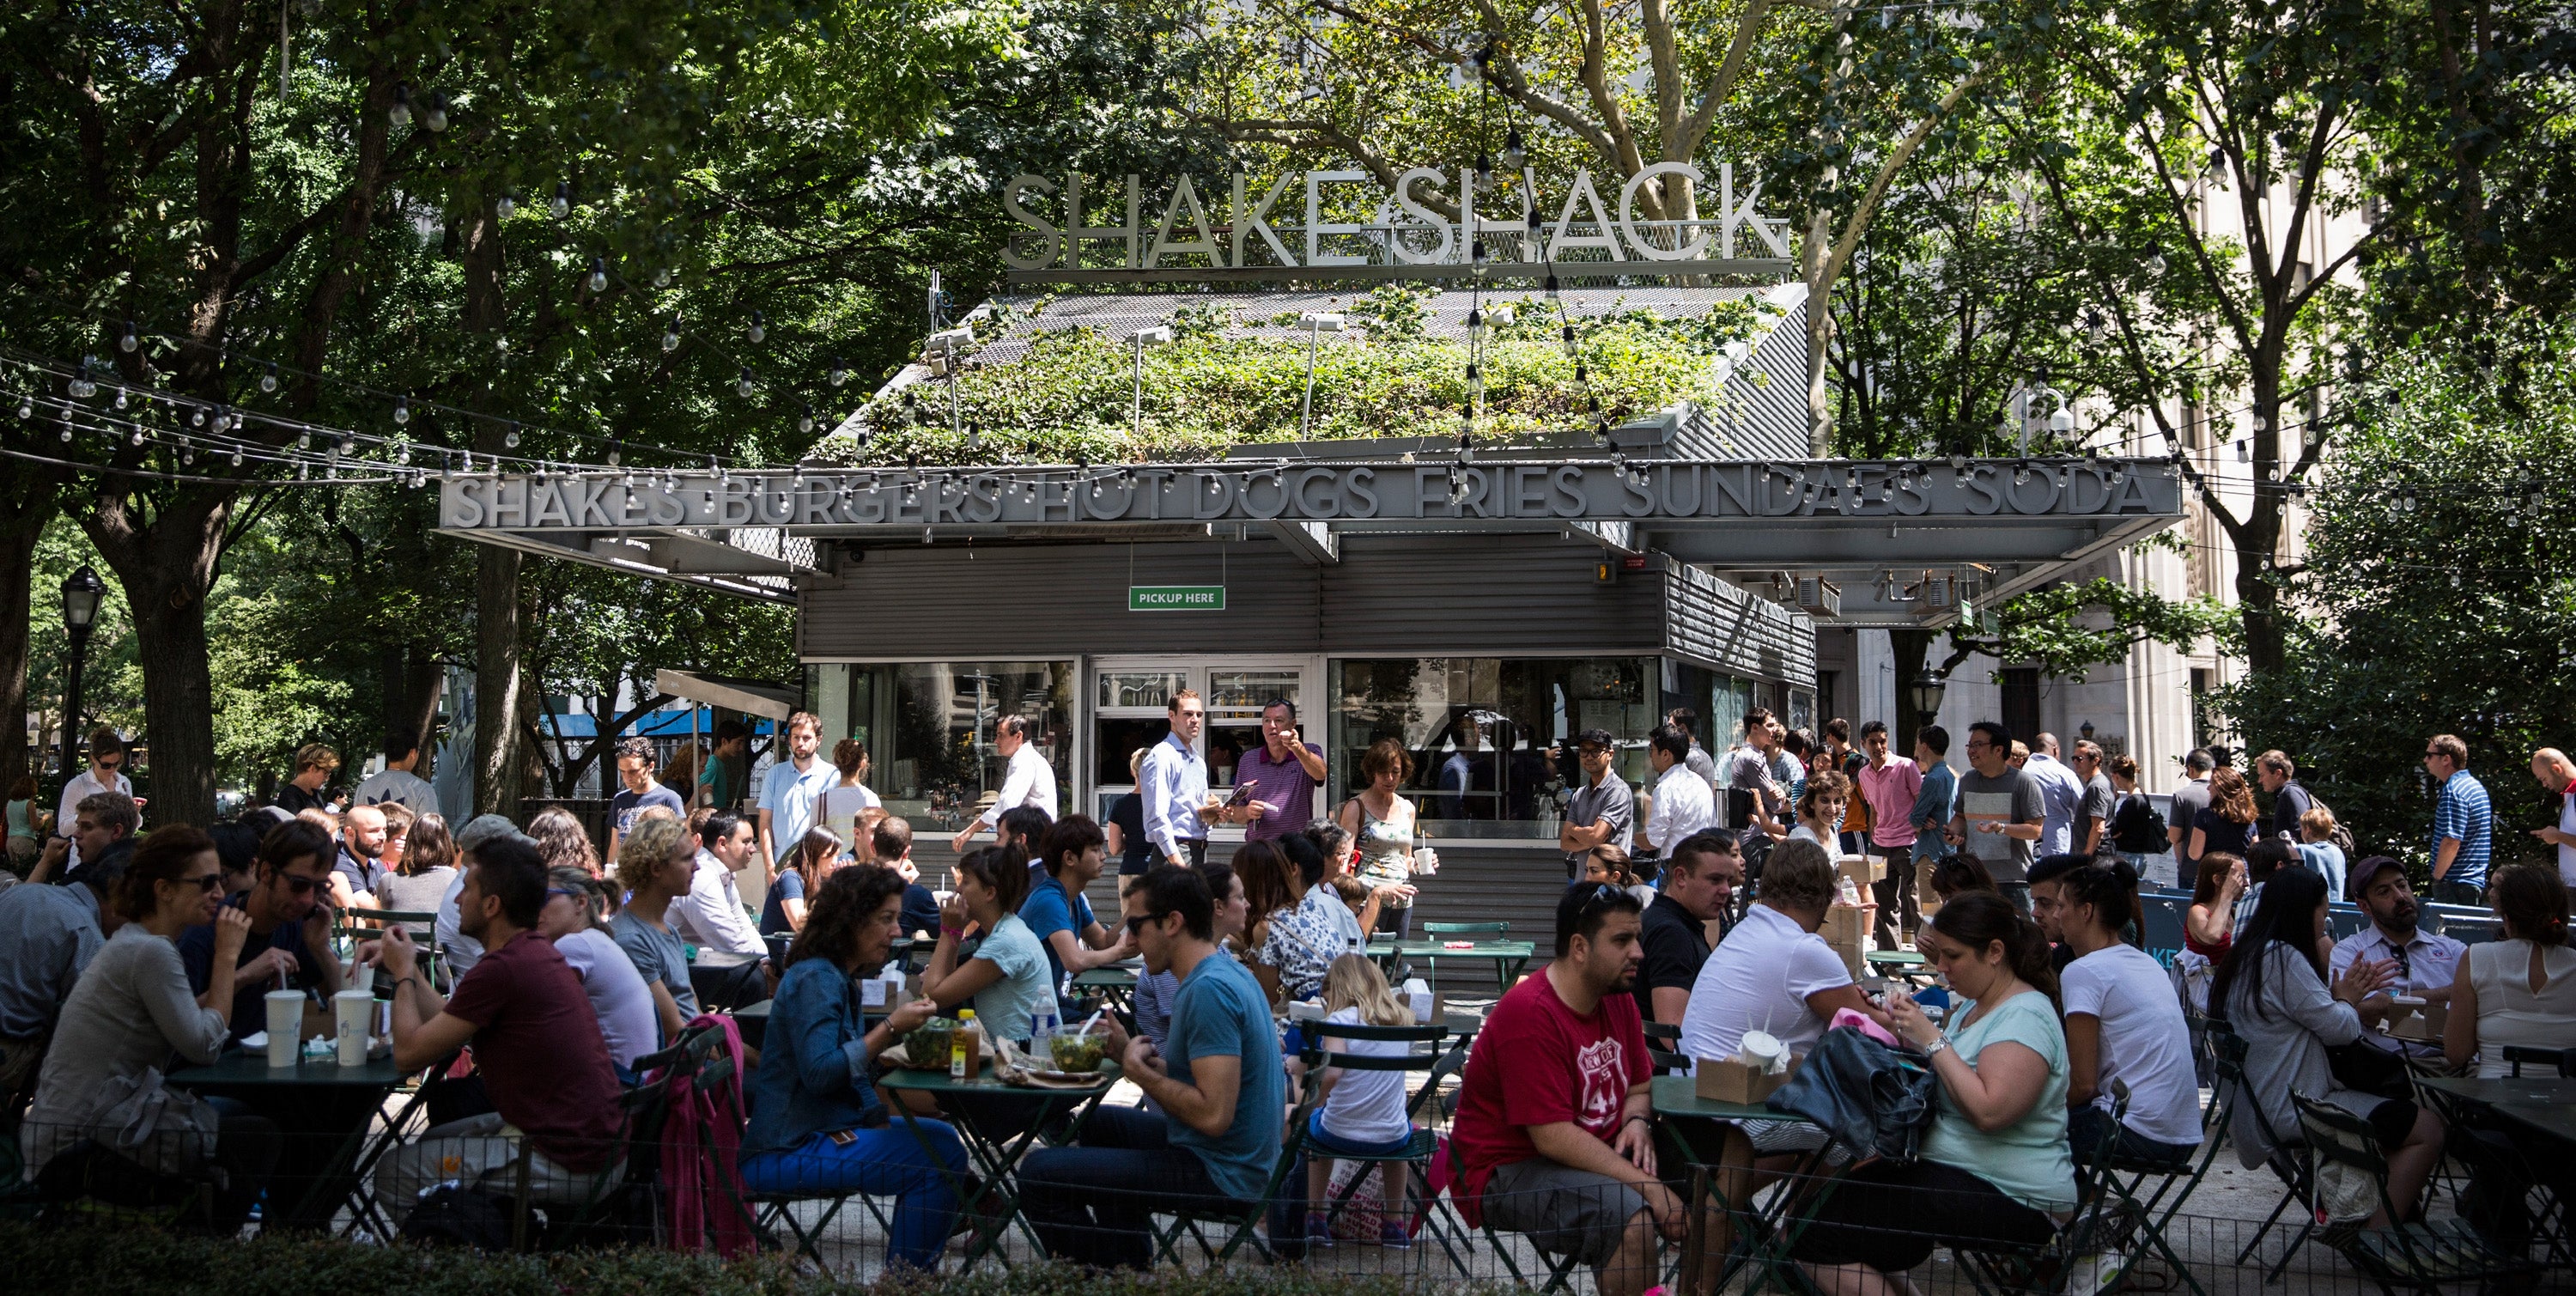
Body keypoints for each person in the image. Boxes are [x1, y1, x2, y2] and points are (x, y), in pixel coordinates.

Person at [1795, 893, 2076, 1292]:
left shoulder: (2025, 1016)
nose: (1941, 967)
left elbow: (1990, 1111)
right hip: (1968, 1178)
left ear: (1995, 952)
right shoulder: (1978, 1006)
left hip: (2017, 1197)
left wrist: (1931, 1040)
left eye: (1953, 956)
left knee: (1814, 1234)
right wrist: (1901, 1031)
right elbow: (1952, 1070)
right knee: (1822, 1217)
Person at [1019, 865, 1286, 1269]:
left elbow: (1213, 1114)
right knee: (1097, 1125)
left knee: (1039, 1172)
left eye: (1138, 926)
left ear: (1173, 923)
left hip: (1224, 1172)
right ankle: (1130, 1263)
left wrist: (1139, 1073)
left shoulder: (1208, 991)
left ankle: (1104, 1275)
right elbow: (1208, 1081)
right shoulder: (1222, 969)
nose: (1129, 939)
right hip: (1231, 1153)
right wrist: (1130, 1051)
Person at [21, 826, 278, 1231]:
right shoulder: (150, 951)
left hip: (82, 1129)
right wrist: (227, 957)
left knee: (240, 1121)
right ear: (165, 889)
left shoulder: (137, 942)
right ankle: (202, 1249)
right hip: (78, 1145)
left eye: (221, 880)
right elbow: (205, 1045)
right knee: (253, 1134)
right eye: (205, 882)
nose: (218, 893)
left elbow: (187, 1024)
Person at [372, 833, 627, 1214]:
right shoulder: (529, 952)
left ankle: (449, 1264)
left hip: (571, 1160)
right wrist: (408, 964)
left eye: (467, 888)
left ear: (491, 905)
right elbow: (449, 1016)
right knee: (435, 1139)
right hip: (592, 1145)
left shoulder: (505, 967)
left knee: (395, 1172)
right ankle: (481, 1243)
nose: (456, 899)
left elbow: (408, 1055)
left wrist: (403, 975)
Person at [1450, 881, 1674, 1296]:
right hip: (1507, 1170)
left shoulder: (1617, 995)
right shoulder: (1530, 1014)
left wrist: (1638, 1121)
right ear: (1579, 947)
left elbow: (1641, 1085)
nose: (1639, 953)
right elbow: (1552, 1137)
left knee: (1715, 1169)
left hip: (1590, 1150)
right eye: (1622, 940)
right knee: (1631, 1218)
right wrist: (1646, 1185)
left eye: (1638, 938)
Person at [738, 863, 967, 1269]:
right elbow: (821, 1073)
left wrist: (874, 1113)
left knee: (943, 1140)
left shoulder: (834, 974)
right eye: (886, 919)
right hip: (786, 1150)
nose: (897, 931)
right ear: (851, 919)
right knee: (938, 1157)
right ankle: (907, 1282)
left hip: (816, 1133)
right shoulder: (817, 978)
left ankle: (908, 1278)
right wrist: (891, 1028)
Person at [2212, 867, 2443, 1226]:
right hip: (2299, 1105)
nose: (2327, 918)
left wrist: (2345, 1000)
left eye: (2402, 885)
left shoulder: (2248, 956)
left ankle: (2369, 1217)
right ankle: (2380, 1234)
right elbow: (2342, 1030)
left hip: (2264, 1107)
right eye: (2324, 909)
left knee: (2400, 1121)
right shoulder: (2300, 956)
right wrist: (2349, 1000)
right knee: (2428, 1128)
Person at [1678, 840, 1885, 1177]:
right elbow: (1875, 1033)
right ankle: (1801, 1227)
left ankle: (1785, 1224)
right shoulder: (1803, 949)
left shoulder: (1746, 931)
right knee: (1870, 1139)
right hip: (1736, 1115)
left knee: (1825, 1130)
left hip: (1693, 1102)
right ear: (1826, 896)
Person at [2057, 861, 2202, 1167]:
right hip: (2183, 1135)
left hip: (2137, 1132)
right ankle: (2077, 1206)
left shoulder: (2083, 971)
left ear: (2086, 911)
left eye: (2060, 905)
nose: (2057, 916)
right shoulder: (2144, 961)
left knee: (2015, 1128)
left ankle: (2061, 1212)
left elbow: (2083, 1085)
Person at [176, 817, 344, 1042]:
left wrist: (320, 948)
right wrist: (245, 976)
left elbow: (345, 1002)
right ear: (266, 873)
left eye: (320, 887)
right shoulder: (207, 929)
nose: (308, 900)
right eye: (299, 885)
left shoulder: (295, 924)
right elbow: (177, 1020)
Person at [1298, 952, 1422, 1250]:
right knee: (1402, 1134)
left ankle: (1316, 1216)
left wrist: (1316, 1101)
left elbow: (1331, 1075)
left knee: (1316, 1130)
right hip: (1389, 1138)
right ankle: (1393, 1223)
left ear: (1341, 988)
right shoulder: (1403, 1021)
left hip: (1338, 1133)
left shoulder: (1338, 1022)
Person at [0, 847, 127, 1103]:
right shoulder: (84, 931)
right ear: (118, 903)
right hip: (8, 1052)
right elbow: (88, 1023)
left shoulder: (23, 891)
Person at [2330, 855, 2465, 1066]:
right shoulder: (2352, 952)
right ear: (2364, 906)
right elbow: (2370, 1011)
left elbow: (2481, 1003)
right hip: (2398, 1069)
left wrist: (2394, 1004)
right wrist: (2453, 993)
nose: (2400, 896)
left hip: (2463, 1064)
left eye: (2402, 885)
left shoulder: (2452, 949)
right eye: (2384, 892)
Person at [2442, 863, 2576, 1076]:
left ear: (2505, 914)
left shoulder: (2477, 957)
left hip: (2495, 1104)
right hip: (2567, 1105)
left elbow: (2457, 1053)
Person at [921, 845, 1052, 1043]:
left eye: (966, 882)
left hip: (1024, 1056)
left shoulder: (1006, 942)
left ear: (990, 893)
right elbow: (945, 985)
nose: (957, 889)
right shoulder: (1005, 930)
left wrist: (948, 931)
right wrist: (955, 932)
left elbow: (932, 997)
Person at [535, 867, 659, 1074]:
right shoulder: (597, 939)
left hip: (619, 1089)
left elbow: (534, 1014)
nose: (536, 909)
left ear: (581, 902)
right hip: (640, 1087)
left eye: (546, 898)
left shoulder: (575, 945)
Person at [1132, 861, 1245, 1054]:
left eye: (1136, 927)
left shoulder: (1210, 974)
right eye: (1241, 897)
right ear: (1217, 906)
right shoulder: (1181, 969)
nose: (1248, 904)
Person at [610, 817, 703, 1044]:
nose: (697, 865)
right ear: (656, 868)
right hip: (678, 1068)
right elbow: (675, 1032)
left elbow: (693, 1012)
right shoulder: (631, 939)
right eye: (687, 858)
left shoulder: (669, 930)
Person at [1025, 814, 1133, 1012]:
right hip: (1031, 1010)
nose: (1103, 856)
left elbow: (1103, 941)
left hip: (1048, 1001)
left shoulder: (1073, 898)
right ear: (1069, 858)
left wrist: (1133, 910)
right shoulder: (1049, 899)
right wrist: (1119, 951)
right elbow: (1074, 961)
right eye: (1094, 850)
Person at [1947, 721, 2044, 909]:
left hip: (2013, 881)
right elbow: (1960, 817)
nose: (1971, 751)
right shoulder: (1967, 780)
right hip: (1974, 879)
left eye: (1978, 745)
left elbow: (2035, 830)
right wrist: (1953, 832)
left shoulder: (2023, 782)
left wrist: (2001, 828)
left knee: (2017, 936)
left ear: (1998, 750)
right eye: (1970, 745)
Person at [676, 811, 769, 1002]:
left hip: (701, 962)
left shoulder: (724, 875)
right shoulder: (702, 877)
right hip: (679, 969)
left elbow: (745, 927)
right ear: (722, 844)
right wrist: (764, 969)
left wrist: (767, 962)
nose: (752, 849)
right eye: (746, 842)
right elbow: (730, 942)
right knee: (753, 980)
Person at [1338, 739, 1422, 941]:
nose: (1390, 778)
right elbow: (1342, 859)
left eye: (1395, 771)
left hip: (1401, 901)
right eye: (1383, 772)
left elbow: (1404, 858)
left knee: (1394, 965)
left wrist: (1416, 864)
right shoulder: (1356, 807)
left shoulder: (1408, 809)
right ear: (1372, 772)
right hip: (1367, 900)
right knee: (1366, 962)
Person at [1258, 832, 1352, 1002]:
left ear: (1294, 869)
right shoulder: (1313, 909)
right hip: (1342, 1008)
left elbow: (1270, 999)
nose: (1265, 871)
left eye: (1272, 864)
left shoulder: (1270, 925)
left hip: (1312, 1020)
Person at [1852, 721, 1922, 946]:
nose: (1879, 747)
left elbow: (1921, 801)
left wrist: (1920, 833)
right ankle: (1890, 960)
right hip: (1880, 846)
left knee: (1916, 903)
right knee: (1884, 905)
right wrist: (1873, 837)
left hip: (1908, 842)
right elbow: (1872, 808)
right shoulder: (1863, 774)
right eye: (1873, 742)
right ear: (1863, 744)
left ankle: (1928, 957)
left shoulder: (1906, 766)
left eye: (1882, 741)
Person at [951, 714, 1059, 853]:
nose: (996, 741)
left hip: (1031, 844)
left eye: (1001, 735)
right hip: (1035, 841)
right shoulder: (1029, 759)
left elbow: (1007, 805)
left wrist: (972, 829)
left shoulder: (1024, 761)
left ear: (1018, 736)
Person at [1142, 691, 1224, 869]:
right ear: (1172, 716)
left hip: (1197, 851)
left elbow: (1195, 811)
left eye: (1199, 714)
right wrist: (1177, 861)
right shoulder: (1162, 756)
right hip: (1173, 854)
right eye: (1188, 714)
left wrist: (1214, 812)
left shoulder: (1198, 761)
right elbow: (1156, 816)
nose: (1195, 719)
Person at [1235, 699, 1326, 843]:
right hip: (1260, 851)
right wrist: (1247, 812)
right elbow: (1234, 811)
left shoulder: (1308, 752)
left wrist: (1297, 748)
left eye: (1278, 720)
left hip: (1296, 848)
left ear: (1292, 724)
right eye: (1267, 720)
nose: (1272, 726)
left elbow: (1320, 774)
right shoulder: (1248, 760)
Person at [757, 711, 836, 871]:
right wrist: (770, 868)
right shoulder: (775, 774)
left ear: (818, 740)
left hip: (819, 868)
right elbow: (765, 822)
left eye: (806, 738)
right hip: (781, 866)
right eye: (796, 737)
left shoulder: (832, 776)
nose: (801, 743)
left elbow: (836, 825)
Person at [52, 729, 134, 877]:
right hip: (85, 862)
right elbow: (63, 828)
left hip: (116, 861)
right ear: (93, 759)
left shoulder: (124, 783)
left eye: (117, 764)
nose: (112, 769)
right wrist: (91, 816)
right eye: (106, 765)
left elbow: (131, 828)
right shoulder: (78, 785)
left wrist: (134, 813)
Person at [1558, 728, 1634, 881]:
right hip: (1582, 883)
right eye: (1584, 751)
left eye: (1596, 751)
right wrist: (1590, 839)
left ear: (1610, 755)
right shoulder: (1579, 794)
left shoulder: (1618, 791)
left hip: (1611, 884)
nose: (1589, 757)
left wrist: (1575, 832)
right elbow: (1565, 843)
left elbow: (1595, 836)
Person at [2424, 733, 2492, 905]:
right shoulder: (2474, 786)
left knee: (2449, 933)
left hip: (2455, 885)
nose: (2425, 760)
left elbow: (2451, 841)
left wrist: (2437, 878)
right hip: (2471, 883)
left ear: (2446, 759)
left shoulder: (2453, 792)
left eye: (2430, 755)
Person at [34, 789, 139, 888]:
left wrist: (45, 863)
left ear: (116, 831)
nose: (76, 834)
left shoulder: (86, 876)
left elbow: (26, 904)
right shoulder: (144, 873)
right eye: (78, 826)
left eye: (87, 827)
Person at [1722, 709, 1790, 863]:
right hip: (1756, 838)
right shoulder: (1751, 758)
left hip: (1760, 836)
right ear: (1754, 727)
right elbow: (1774, 803)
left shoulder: (1755, 756)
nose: (1774, 730)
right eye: (1770, 725)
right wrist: (1781, 796)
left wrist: (1780, 793)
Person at [605, 736, 687, 861]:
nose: (627, 777)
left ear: (651, 766)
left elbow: (681, 843)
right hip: (624, 874)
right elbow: (614, 845)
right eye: (622, 771)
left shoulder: (670, 798)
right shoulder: (620, 800)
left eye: (633, 771)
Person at [1640, 723, 1715, 860]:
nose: (1650, 755)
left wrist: (1635, 839)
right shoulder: (1700, 783)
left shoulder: (1665, 789)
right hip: (1703, 860)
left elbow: (1654, 840)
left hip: (1678, 865)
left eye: (1651, 749)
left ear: (1666, 754)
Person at [375, 811, 458, 932]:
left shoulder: (388, 880)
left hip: (395, 949)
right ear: (446, 843)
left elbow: (380, 924)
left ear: (409, 842)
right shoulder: (456, 880)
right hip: (440, 950)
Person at [761, 827, 845, 936]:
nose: (835, 862)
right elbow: (799, 924)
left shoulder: (823, 880)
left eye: (837, 856)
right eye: (829, 855)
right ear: (814, 853)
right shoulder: (790, 878)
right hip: (781, 949)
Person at [1909, 724, 1957, 910]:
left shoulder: (1933, 778)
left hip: (1930, 853)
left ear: (1924, 746)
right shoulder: (1950, 775)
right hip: (1947, 851)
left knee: (1931, 912)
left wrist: (1919, 821)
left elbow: (1915, 820)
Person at [872, 816, 941, 939]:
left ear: (873, 847)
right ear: (907, 852)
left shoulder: (850, 885)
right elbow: (943, 932)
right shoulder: (918, 895)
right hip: (895, 958)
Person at [2022, 733, 2086, 858]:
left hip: (2026, 841)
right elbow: (2080, 809)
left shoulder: (2022, 770)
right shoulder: (2065, 773)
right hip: (2056, 841)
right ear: (2055, 749)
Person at [350, 728, 440, 815]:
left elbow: (355, 822)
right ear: (412, 753)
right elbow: (429, 828)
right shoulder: (422, 789)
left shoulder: (364, 787)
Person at [2024, 853, 2087, 974]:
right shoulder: (2058, 958)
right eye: (2034, 902)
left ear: (2085, 909)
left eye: (2045, 903)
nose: (2035, 913)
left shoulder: (2118, 961)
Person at [2186, 766, 2258, 868]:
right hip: (2240, 873)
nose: (2208, 788)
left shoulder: (2204, 816)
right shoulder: (2249, 817)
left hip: (2213, 870)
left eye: (2211, 784)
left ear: (2221, 788)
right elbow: (2255, 854)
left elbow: (2195, 854)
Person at [2103, 754, 2165, 873]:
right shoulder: (2142, 796)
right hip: (2138, 855)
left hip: (2126, 856)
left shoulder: (2132, 801)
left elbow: (2115, 830)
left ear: (2116, 777)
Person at [1107, 748, 1154, 897]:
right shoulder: (1163, 803)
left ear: (1133, 772)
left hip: (1130, 870)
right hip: (1157, 872)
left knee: (1130, 920)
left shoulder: (1120, 805)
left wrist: (1131, 837)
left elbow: (1114, 848)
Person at [2168, 747, 2216, 892]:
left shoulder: (2182, 796)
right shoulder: (2226, 795)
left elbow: (2174, 837)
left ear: (2191, 768)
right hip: (2221, 868)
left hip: (2191, 868)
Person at [817, 738, 880, 848]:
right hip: (863, 864)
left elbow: (813, 841)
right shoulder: (872, 799)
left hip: (832, 863)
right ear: (863, 763)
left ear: (836, 763)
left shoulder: (822, 801)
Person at [2184, 852, 2245, 962]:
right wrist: (2227, 895)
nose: (2245, 883)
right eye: (2239, 878)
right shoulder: (2198, 911)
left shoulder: (2234, 913)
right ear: (2217, 880)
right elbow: (2212, 936)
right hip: (2209, 978)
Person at [2530, 747, 2576, 887]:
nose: (2544, 785)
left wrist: (2558, 836)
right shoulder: (2570, 795)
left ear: (2557, 769)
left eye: (2544, 779)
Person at [331, 803, 390, 910]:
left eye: (384, 830)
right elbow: (370, 908)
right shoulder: (339, 864)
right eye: (374, 831)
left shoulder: (376, 864)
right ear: (350, 833)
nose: (383, 837)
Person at [2253, 750, 2313, 843]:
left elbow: (2303, 831)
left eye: (2262, 775)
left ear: (2278, 773)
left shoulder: (2291, 793)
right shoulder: (2286, 794)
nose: (2259, 781)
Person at [2070, 740, 2117, 856]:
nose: (2075, 762)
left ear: (2095, 760)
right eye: (2074, 758)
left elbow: (2098, 827)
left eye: (2080, 759)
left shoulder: (2097, 786)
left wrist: (2087, 855)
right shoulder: (2095, 784)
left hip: (2095, 857)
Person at [2293, 806, 2348, 904]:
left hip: (2311, 909)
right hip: (2336, 908)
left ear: (2307, 830)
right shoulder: (2338, 852)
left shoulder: (2302, 850)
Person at [272, 742, 338, 817]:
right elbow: (294, 827)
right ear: (312, 768)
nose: (327, 778)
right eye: (325, 773)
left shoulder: (316, 794)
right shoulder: (289, 795)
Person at [700, 718, 752, 812]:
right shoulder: (712, 765)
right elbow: (700, 792)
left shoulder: (718, 764)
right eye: (738, 743)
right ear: (724, 741)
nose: (741, 748)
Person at [1787, 770, 1848, 849]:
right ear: (1812, 803)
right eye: (1824, 801)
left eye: (1837, 801)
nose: (1832, 809)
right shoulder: (1801, 838)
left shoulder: (1831, 831)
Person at [5, 774, 44, 873]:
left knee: (14, 872)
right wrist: (44, 819)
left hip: (10, 840)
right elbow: (35, 826)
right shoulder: (29, 803)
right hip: (24, 840)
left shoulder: (10, 803)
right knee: (25, 872)